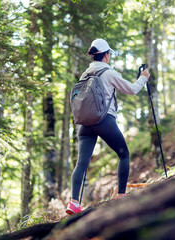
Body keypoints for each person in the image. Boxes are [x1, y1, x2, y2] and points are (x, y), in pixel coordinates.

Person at [66, 38, 150, 215]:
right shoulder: (109, 72)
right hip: (104, 121)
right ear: (106, 55)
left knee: (81, 162)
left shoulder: (85, 75)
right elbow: (132, 89)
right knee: (123, 154)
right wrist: (143, 78)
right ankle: (120, 196)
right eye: (109, 53)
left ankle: (74, 203)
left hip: (85, 125)